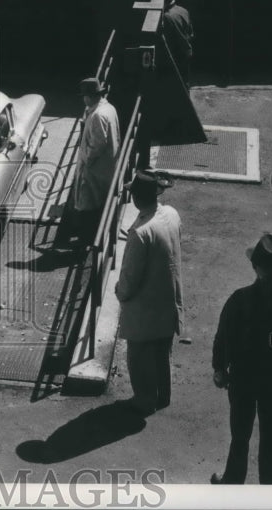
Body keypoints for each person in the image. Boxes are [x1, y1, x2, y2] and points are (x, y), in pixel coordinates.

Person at [211, 234, 272, 485]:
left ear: (254, 266)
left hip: (244, 380)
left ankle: (233, 480)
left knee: (240, 435)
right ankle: (271, 489)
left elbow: (223, 338)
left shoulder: (239, 299)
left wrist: (220, 369)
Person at [114, 170, 184, 415]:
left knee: (140, 358)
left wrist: (120, 292)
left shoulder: (140, 233)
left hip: (144, 309)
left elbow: (130, 278)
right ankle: (163, 395)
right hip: (168, 299)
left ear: (135, 199)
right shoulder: (172, 215)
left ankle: (144, 400)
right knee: (162, 353)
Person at [67, 77, 121, 244]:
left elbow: (97, 144)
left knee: (87, 204)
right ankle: (90, 237)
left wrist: (86, 161)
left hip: (94, 168)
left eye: (84, 96)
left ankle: (86, 240)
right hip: (107, 165)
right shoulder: (109, 108)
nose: (83, 99)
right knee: (98, 201)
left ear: (89, 97)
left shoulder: (97, 115)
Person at [155, 0, 194, 87]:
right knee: (185, 84)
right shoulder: (184, 10)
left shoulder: (166, 16)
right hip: (186, 51)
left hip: (175, 56)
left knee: (174, 86)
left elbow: (166, 40)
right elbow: (190, 33)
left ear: (163, 1)